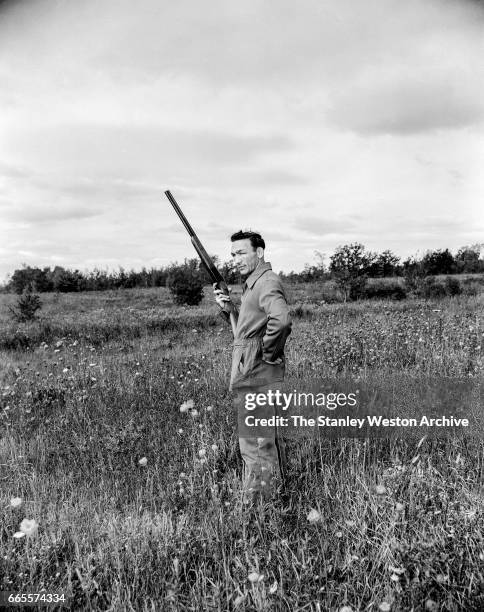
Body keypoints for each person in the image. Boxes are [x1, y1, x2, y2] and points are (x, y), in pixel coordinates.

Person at [213, 230, 292, 502]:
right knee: (261, 440)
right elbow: (244, 335)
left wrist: (268, 354)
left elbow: (280, 321)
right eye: (233, 254)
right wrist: (229, 310)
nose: (236, 259)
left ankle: (259, 505)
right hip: (252, 372)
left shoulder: (266, 282)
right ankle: (271, 498)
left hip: (258, 373)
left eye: (242, 252)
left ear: (259, 253)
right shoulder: (252, 285)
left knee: (256, 443)